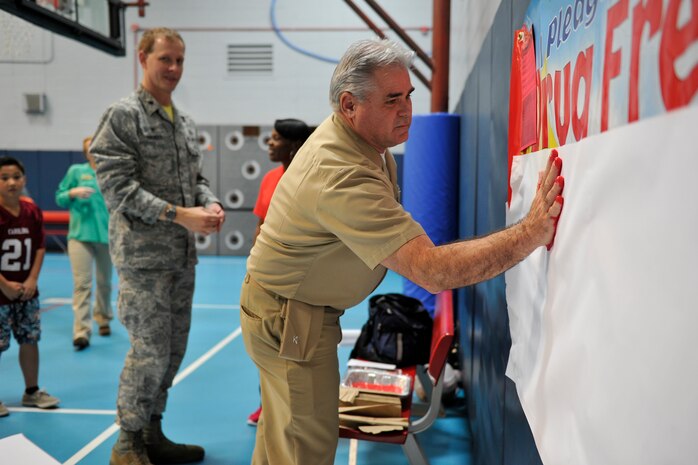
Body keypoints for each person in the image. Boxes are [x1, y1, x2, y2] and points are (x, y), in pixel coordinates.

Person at [239, 38, 564, 465]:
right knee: (303, 450)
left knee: (283, 442)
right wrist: (530, 233)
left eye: (409, 95)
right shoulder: (340, 172)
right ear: (349, 105)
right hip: (290, 320)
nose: (407, 108)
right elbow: (430, 271)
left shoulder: (366, 145)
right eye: (392, 100)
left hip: (293, 312)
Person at [90, 27, 225, 465]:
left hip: (181, 258)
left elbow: (197, 180)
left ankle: (152, 431)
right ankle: (126, 443)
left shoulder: (182, 122)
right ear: (143, 58)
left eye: (180, 61)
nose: (173, 69)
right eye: (165, 59)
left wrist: (209, 202)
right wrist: (181, 215)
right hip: (143, 259)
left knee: (173, 351)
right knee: (147, 351)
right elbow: (117, 189)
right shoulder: (123, 115)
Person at [246, 118, 312, 427]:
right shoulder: (270, 178)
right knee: (266, 346)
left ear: (293, 145)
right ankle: (267, 405)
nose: (270, 144)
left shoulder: (307, 179)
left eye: (276, 139)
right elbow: (260, 225)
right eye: (270, 138)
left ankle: (294, 408)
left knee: (295, 346)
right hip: (265, 277)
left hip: (298, 279)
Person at [0, 157, 60, 418]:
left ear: (24, 179)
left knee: (30, 339)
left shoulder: (31, 210)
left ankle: (32, 390)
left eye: (16, 177)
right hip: (1, 292)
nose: (11, 182)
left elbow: (39, 247)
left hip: (26, 291)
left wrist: (32, 280)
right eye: (4, 178)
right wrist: (4, 285)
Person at [55, 136, 113, 351]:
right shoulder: (76, 172)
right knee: (82, 284)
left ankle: (104, 317)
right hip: (80, 236)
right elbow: (59, 197)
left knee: (105, 282)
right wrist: (72, 192)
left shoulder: (112, 172)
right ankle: (81, 331)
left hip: (107, 236)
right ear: (85, 152)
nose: (94, 151)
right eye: (90, 149)